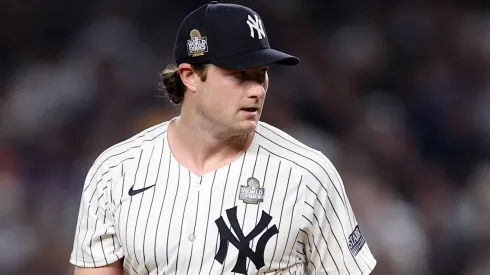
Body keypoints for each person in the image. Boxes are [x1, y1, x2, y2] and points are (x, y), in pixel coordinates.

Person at [70, 1, 377, 274]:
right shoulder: (115, 171)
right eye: (240, 75)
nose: (257, 89)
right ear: (190, 76)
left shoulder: (308, 173)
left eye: (262, 73)